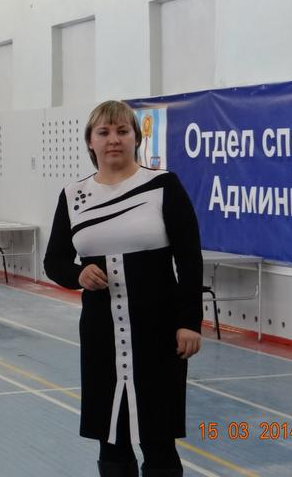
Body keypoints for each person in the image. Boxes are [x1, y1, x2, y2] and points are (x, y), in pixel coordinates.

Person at [43, 100, 202, 477]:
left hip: (158, 333)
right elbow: (55, 261)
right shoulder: (73, 195)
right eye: (104, 132)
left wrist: (189, 322)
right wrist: (79, 275)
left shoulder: (162, 185)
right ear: (90, 141)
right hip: (101, 335)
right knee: (111, 438)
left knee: (158, 438)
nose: (113, 139)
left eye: (122, 131)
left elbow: (189, 259)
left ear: (136, 138)